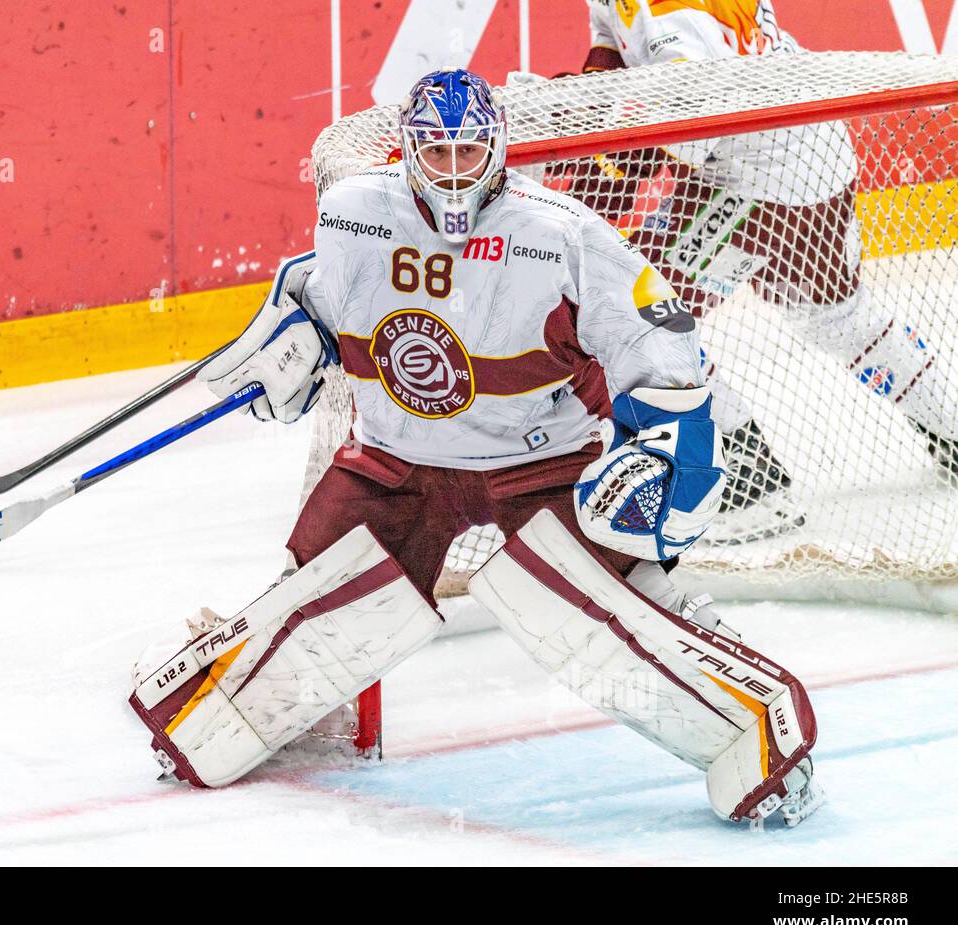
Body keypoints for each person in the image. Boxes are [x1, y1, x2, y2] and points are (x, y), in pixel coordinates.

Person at [128, 68, 821, 828]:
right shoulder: (356, 212)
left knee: (609, 608)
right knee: (317, 582)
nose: (455, 171)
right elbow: (323, 298)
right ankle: (291, 721)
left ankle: (753, 728)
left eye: (469, 153)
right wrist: (297, 340)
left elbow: (658, 339)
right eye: (439, 154)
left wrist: (660, 440)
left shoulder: (559, 232)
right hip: (399, 462)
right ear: (407, 153)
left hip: (540, 462)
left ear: (497, 151)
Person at [559, 0, 958, 538]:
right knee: (839, 319)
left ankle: (751, 486)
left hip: (760, 175)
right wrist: (591, 94)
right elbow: (613, 37)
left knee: (644, 313)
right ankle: (950, 430)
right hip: (804, 149)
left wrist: (592, 180)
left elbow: (687, 138)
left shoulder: (680, 18)